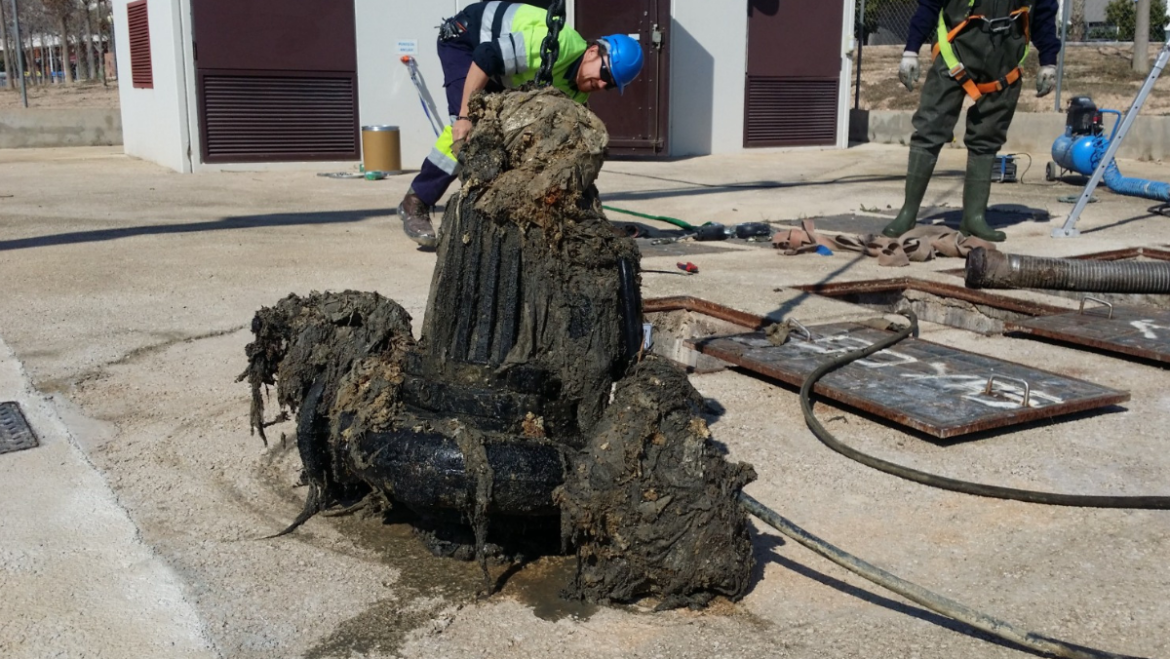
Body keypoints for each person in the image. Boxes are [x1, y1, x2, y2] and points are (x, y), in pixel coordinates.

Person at [398, 1, 645, 248]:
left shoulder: (578, 94)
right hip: (466, 39)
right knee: (471, 127)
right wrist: (463, 117)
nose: (602, 85)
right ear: (593, 52)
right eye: (605, 73)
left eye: (610, 84)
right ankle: (416, 200)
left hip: (499, 68)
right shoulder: (557, 44)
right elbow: (487, 56)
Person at [882, 0, 1060, 242]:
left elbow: (1045, 13)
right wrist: (911, 51)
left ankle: (974, 218)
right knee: (929, 128)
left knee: (987, 136)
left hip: (1005, 63)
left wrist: (1048, 61)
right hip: (956, 52)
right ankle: (907, 214)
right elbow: (929, 6)